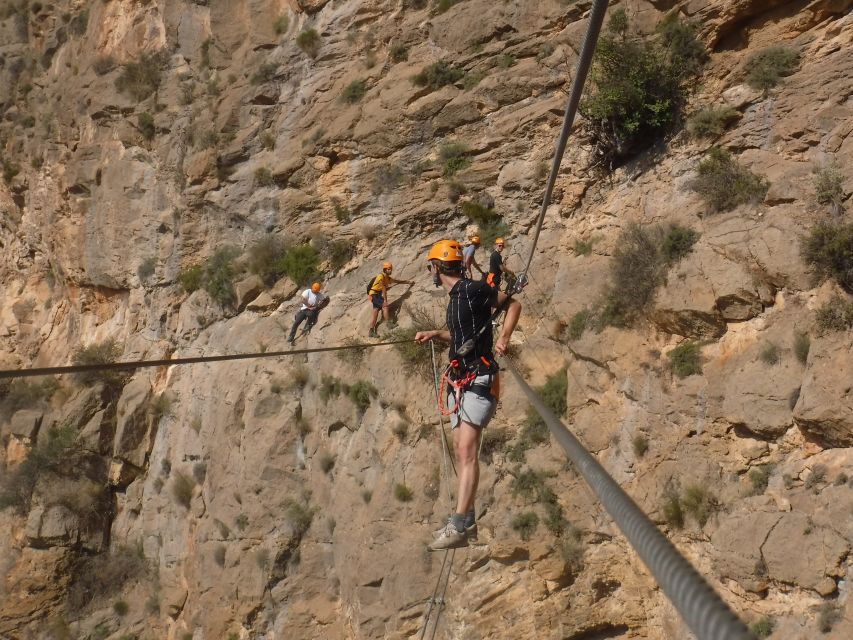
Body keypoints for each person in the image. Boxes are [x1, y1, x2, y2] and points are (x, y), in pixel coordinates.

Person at [415, 240, 521, 550]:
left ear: (437, 267)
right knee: (460, 451)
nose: (430, 272)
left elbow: (513, 305)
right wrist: (437, 333)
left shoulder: (473, 290)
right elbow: (463, 335)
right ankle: (468, 518)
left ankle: (459, 524)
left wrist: (504, 338)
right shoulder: (456, 297)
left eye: (430, 267)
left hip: (479, 378)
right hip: (460, 380)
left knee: (466, 450)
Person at [367, 261, 413, 337]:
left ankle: (371, 331)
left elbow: (397, 281)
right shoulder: (381, 276)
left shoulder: (388, 279)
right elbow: (383, 289)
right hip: (374, 295)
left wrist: (408, 282)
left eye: (391, 269)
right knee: (385, 306)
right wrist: (385, 301)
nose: (390, 270)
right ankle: (389, 324)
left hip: (376, 295)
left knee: (375, 312)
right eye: (388, 269)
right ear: (385, 270)